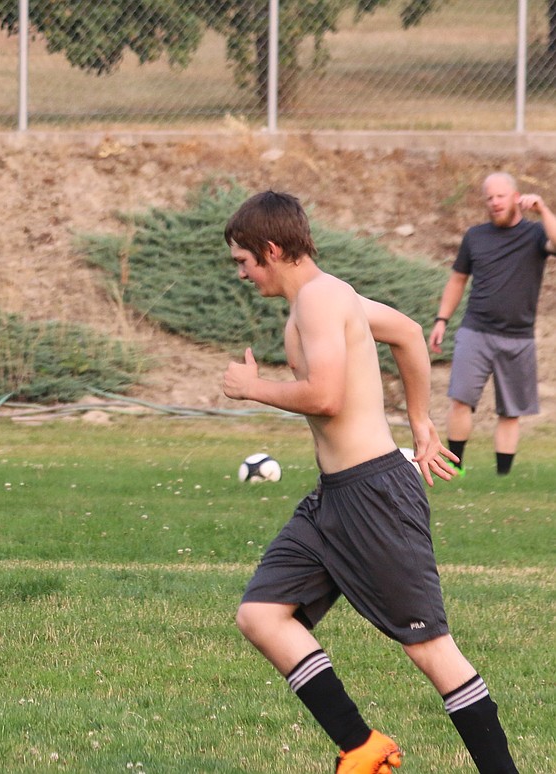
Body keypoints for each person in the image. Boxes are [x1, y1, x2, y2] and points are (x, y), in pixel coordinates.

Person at [222, 191, 517, 773]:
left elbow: (326, 397)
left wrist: (253, 389)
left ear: (272, 249)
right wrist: (422, 421)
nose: (242, 273)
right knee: (262, 614)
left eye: (243, 261)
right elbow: (408, 332)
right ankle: (361, 748)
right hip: (333, 500)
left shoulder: (319, 300)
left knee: (431, 651)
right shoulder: (331, 297)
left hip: (375, 498)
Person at [428, 172, 556, 476]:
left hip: (518, 337)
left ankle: (503, 478)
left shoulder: (537, 234)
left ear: (516, 197)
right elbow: (458, 279)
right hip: (476, 331)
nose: (494, 202)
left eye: (500, 196)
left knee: (510, 412)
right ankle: (455, 469)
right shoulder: (475, 236)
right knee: (460, 400)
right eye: (489, 198)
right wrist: (441, 320)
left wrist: (544, 210)